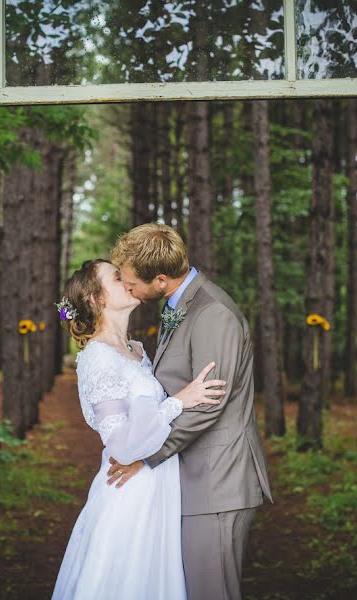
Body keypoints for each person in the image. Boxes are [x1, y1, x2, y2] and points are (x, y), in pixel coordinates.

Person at [107, 223, 273, 600]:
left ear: (161, 279)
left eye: (132, 283)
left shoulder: (213, 313)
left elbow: (208, 405)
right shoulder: (181, 305)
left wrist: (146, 456)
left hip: (217, 482)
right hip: (194, 480)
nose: (128, 288)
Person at [52, 258, 226, 600]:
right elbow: (122, 444)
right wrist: (179, 401)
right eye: (117, 278)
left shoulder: (135, 351)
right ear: (96, 298)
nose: (128, 279)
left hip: (157, 482)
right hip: (131, 491)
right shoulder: (98, 357)